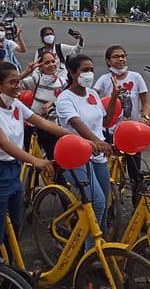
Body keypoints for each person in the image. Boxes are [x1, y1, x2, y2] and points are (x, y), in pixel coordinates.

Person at [0, 62, 69, 256]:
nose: (18, 85)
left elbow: (43, 123)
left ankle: (9, 275)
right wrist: (35, 160)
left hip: (13, 171)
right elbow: (3, 143)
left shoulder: (17, 105)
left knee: (15, 227)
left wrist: (76, 138)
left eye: (18, 81)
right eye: (12, 82)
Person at [56, 54, 115, 246]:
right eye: (84, 70)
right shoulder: (65, 99)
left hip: (97, 155)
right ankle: (89, 254)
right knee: (96, 203)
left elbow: (105, 121)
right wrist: (98, 142)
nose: (89, 74)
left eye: (91, 69)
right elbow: (77, 124)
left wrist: (114, 97)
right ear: (73, 73)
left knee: (105, 204)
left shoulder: (93, 94)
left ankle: (101, 244)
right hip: (75, 156)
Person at [94, 45, 149, 195]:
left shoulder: (136, 77)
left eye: (123, 56)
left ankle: (137, 201)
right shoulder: (104, 80)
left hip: (132, 132)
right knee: (109, 168)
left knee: (135, 172)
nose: (120, 59)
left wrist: (145, 117)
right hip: (111, 133)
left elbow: (144, 102)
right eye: (116, 56)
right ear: (108, 61)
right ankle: (111, 202)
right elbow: (93, 98)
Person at [19, 51, 67, 160]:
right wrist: (27, 72)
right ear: (40, 67)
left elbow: (67, 101)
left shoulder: (62, 82)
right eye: (47, 63)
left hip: (52, 128)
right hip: (33, 128)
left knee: (55, 162)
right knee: (31, 163)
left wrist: (53, 103)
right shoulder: (36, 81)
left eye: (53, 61)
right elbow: (14, 84)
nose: (51, 65)